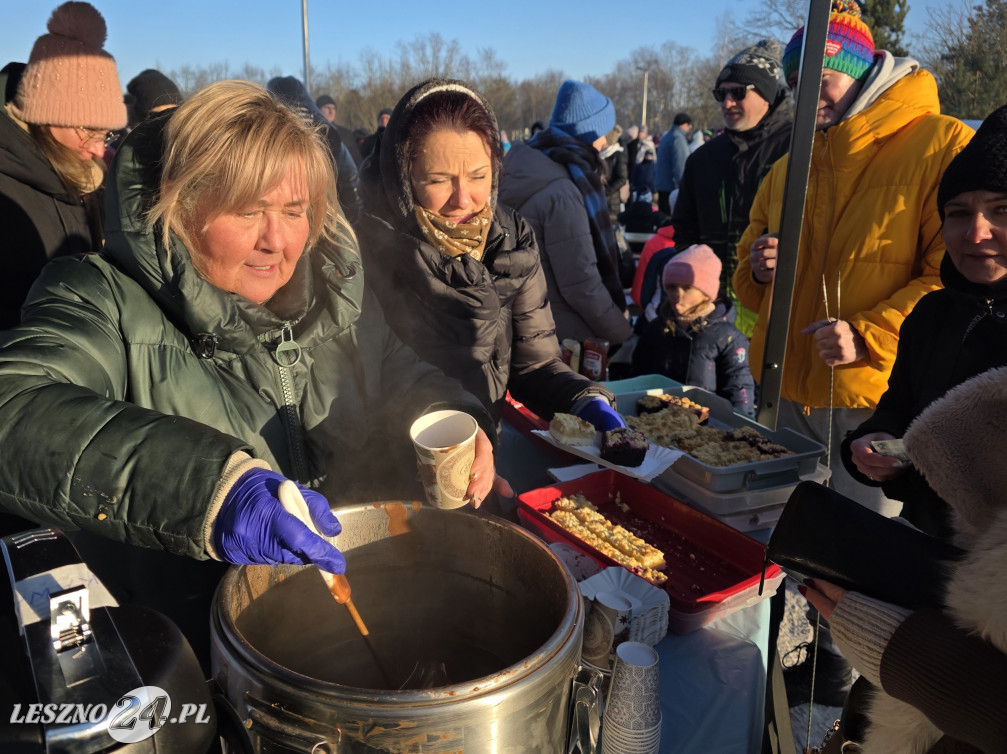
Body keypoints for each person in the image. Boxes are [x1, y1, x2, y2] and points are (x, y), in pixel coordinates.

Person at [0, 79, 502, 657]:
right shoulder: (102, 297)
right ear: (179, 205)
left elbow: (399, 372)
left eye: (294, 210)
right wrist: (212, 488)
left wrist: (452, 414)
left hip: (349, 602)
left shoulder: (335, 299)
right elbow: (14, 406)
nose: (277, 240)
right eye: (247, 210)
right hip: (190, 643)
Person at [732, 0, 974, 706]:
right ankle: (802, 661)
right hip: (786, 389)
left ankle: (860, 681)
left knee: (867, 551)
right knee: (793, 540)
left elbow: (952, 275)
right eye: (798, 84)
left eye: (822, 80)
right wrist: (758, 268)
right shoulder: (791, 163)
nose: (808, 96)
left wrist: (870, 333)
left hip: (875, 399)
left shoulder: (939, 145)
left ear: (861, 69)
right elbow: (745, 262)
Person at [356, 78, 622, 444]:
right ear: (403, 179)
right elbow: (370, 380)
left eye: (478, 176)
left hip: (486, 452)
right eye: (438, 180)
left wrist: (583, 399)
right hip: (395, 454)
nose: (463, 200)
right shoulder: (367, 250)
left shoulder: (511, 240)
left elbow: (535, 364)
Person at [803, 363, 1007, 754]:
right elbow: (906, 400)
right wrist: (884, 438)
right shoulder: (939, 319)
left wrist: (904, 650)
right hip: (923, 570)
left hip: (933, 662)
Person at [841, 101, 1007, 543]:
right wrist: (872, 443)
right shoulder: (931, 314)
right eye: (958, 213)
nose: (975, 233)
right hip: (923, 546)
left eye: (1005, 210)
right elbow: (899, 410)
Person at [0, 1, 126, 330]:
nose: (99, 148)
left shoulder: (87, 179)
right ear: (44, 115)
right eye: (88, 130)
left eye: (107, 134)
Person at [670, 39, 793, 336]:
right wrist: (693, 287)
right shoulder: (703, 159)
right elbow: (685, 231)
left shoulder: (799, 148)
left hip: (778, 318)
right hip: (711, 316)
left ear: (767, 94)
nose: (727, 103)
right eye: (721, 94)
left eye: (738, 93)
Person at [500, 80, 632, 347]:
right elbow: (581, 284)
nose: (604, 142)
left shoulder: (525, 166)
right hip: (558, 337)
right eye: (601, 133)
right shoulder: (562, 192)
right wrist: (623, 334)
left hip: (517, 324)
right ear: (586, 134)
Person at [631, 245, 754, 416]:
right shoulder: (655, 329)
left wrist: (741, 425)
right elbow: (636, 383)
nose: (677, 294)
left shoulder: (728, 338)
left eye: (687, 287)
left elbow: (738, 391)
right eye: (672, 286)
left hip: (707, 427)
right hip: (654, 424)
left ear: (706, 293)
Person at [267, 75, 361, 222]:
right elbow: (352, 183)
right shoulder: (329, 133)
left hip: (283, 220)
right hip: (328, 219)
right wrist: (349, 225)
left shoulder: (263, 135)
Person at [654, 112, 693, 211]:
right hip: (671, 189)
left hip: (662, 185)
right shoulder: (678, 140)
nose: (690, 127)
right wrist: (684, 188)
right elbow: (680, 166)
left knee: (663, 217)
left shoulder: (667, 136)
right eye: (689, 124)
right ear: (684, 124)